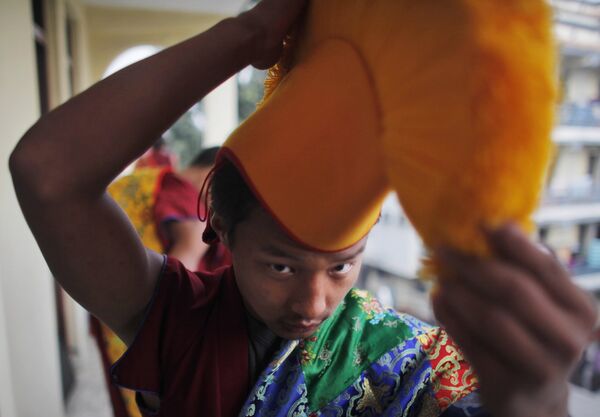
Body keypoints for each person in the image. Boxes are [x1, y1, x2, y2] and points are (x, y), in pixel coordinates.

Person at [8, 1, 598, 416]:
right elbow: (46, 174)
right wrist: (247, 36)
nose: (313, 304)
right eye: (282, 266)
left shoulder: (401, 354)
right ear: (224, 232)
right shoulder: (175, 322)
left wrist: (539, 402)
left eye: (341, 266)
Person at [91, 146, 230, 417]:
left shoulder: (145, 182)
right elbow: (189, 252)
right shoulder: (181, 190)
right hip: (154, 321)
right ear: (213, 174)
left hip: (113, 303)